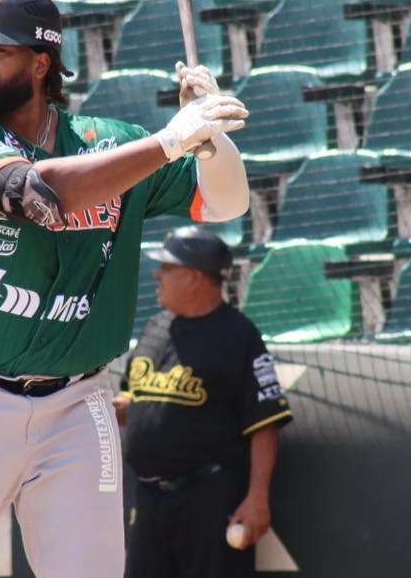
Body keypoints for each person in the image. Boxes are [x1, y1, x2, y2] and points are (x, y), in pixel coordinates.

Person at [0, 0, 251, 578]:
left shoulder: (112, 144)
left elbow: (227, 203)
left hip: (78, 404)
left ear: (41, 61)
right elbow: (37, 190)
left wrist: (210, 141)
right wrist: (169, 140)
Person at [113, 226, 294, 578]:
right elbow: (135, 401)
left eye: (166, 268)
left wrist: (257, 497)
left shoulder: (238, 335)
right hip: (149, 498)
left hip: (209, 499)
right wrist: (111, 408)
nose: (156, 275)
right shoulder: (155, 328)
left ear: (194, 277)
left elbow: (264, 423)